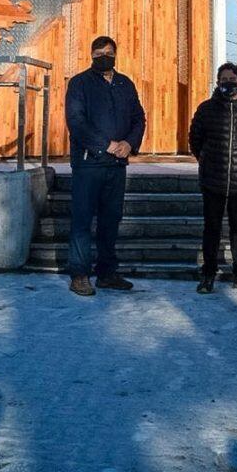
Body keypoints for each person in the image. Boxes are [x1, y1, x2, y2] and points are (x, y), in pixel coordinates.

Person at [64, 35, 146, 296]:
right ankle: (79, 273)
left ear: (115, 54)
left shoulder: (125, 84)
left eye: (108, 52)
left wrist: (129, 143)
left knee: (111, 219)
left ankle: (107, 273)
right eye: (98, 52)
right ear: (91, 55)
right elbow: (76, 122)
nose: (103, 56)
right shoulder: (79, 84)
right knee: (82, 220)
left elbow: (138, 118)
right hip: (89, 165)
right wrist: (106, 144)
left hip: (117, 165)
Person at [189, 62, 237, 294]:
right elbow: (195, 139)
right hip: (213, 180)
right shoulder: (206, 109)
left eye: (232, 79)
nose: (228, 83)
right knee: (211, 229)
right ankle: (208, 274)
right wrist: (206, 160)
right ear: (218, 82)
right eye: (224, 80)